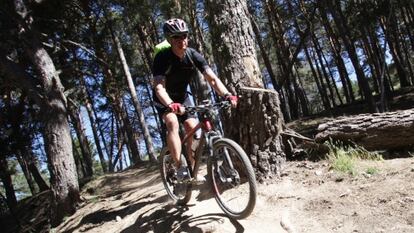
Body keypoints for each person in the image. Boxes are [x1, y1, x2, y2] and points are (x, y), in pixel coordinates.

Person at [152, 18, 238, 180]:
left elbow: (212, 79)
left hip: (183, 97)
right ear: (169, 39)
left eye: (184, 36)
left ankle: (192, 167)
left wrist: (227, 94)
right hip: (164, 98)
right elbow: (159, 87)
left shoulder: (193, 55)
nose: (181, 40)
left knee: (192, 127)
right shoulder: (162, 58)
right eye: (176, 37)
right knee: (172, 122)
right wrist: (170, 104)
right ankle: (179, 167)